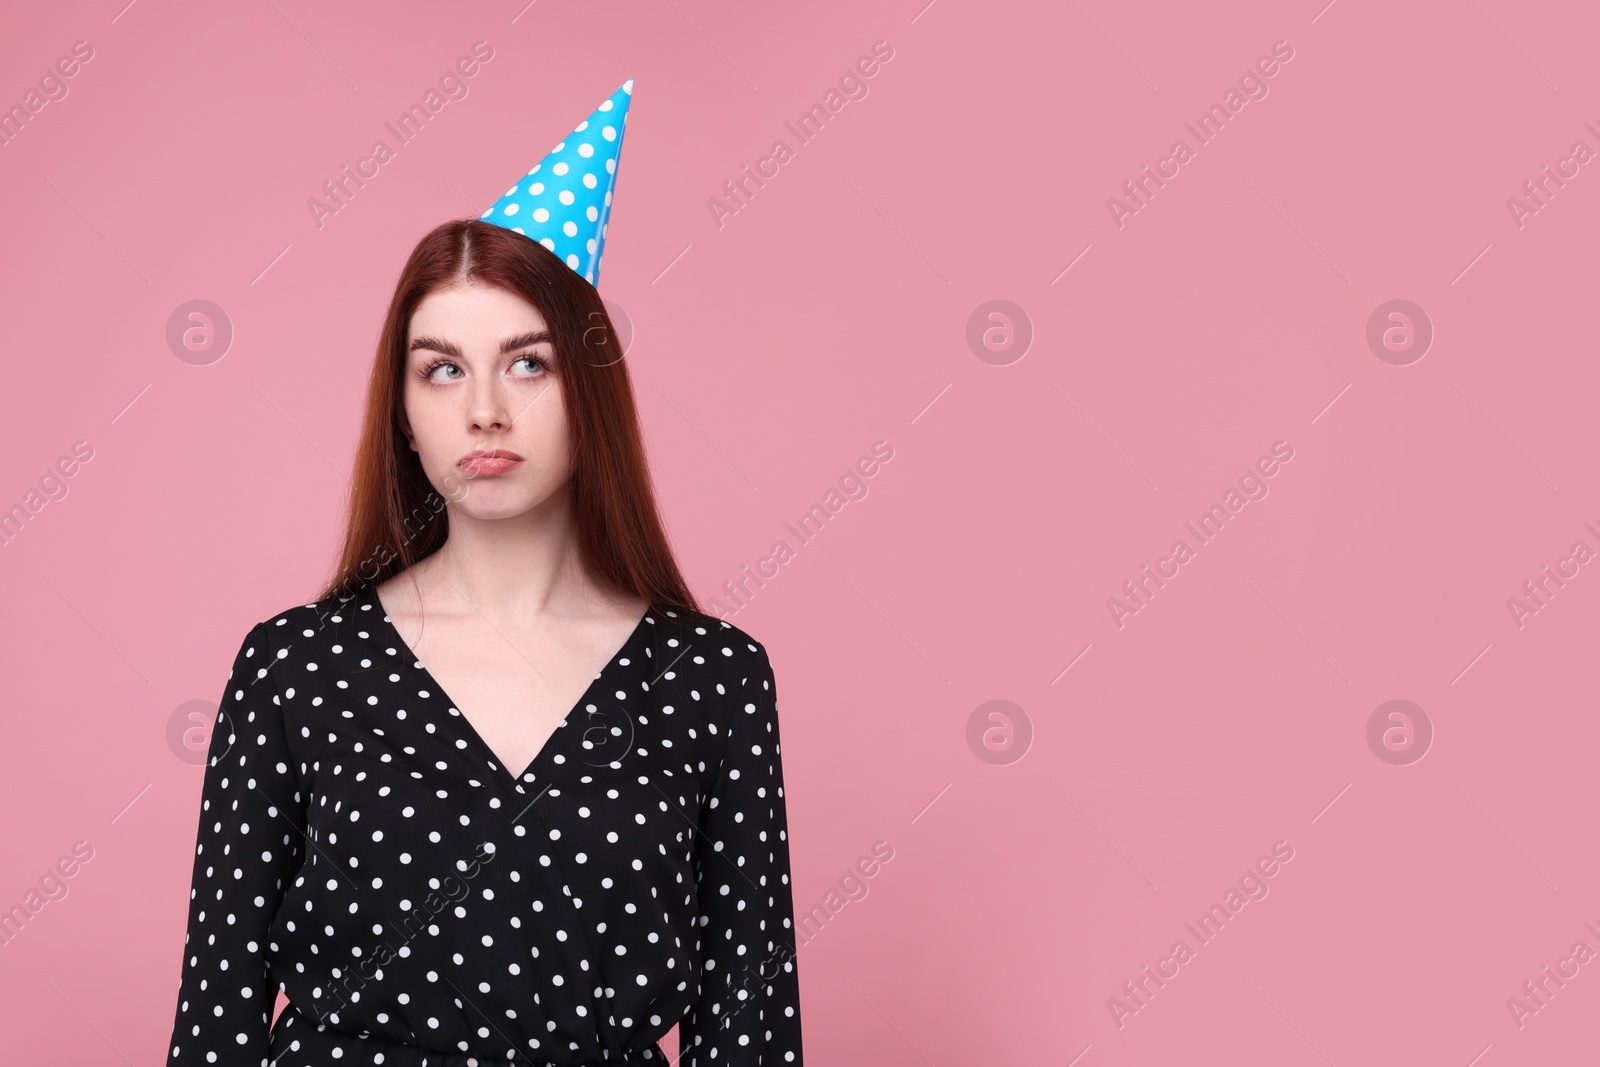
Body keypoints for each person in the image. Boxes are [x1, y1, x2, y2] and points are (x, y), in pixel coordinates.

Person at [163, 82, 804, 1067]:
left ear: (589, 387)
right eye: (445, 368)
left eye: (529, 363)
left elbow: (750, 1033)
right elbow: (217, 1018)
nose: (486, 412)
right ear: (404, 411)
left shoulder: (710, 680)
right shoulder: (296, 667)